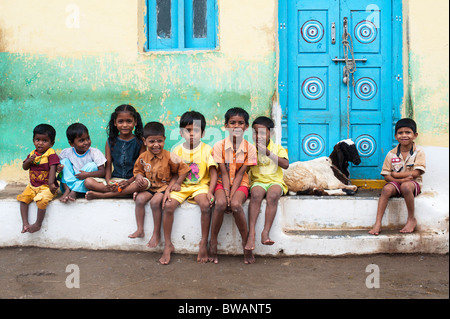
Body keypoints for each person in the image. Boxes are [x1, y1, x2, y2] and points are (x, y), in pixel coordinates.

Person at [160, 111, 218, 265]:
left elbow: (213, 173)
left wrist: (210, 192)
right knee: (168, 206)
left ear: (203, 133)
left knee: (206, 205)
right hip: (182, 187)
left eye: (196, 130)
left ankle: (203, 242)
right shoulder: (177, 150)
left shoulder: (207, 150)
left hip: (200, 186)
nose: (192, 134)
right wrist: (168, 191)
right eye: (188, 130)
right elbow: (174, 175)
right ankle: (168, 245)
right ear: (181, 132)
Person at [129, 122, 190, 253]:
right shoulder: (143, 157)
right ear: (144, 141)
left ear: (164, 140)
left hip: (163, 187)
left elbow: (183, 169)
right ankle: (140, 229)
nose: (156, 144)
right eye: (152, 141)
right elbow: (138, 170)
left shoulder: (169, 156)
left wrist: (178, 183)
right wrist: (139, 177)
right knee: (139, 199)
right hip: (149, 187)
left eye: (159, 141)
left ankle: (156, 233)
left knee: (155, 202)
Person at [209, 107, 257, 264]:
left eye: (240, 123)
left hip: (240, 183)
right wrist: (226, 196)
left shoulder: (250, 148)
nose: (236, 126)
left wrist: (232, 197)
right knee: (220, 203)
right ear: (226, 125)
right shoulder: (219, 146)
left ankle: (246, 244)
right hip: (222, 183)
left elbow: (240, 175)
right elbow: (223, 173)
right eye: (232, 123)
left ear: (246, 126)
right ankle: (213, 243)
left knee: (236, 205)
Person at [369, 118, 426, 235]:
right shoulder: (391, 154)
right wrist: (398, 179)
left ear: (415, 135)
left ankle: (411, 219)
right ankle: (378, 223)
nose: (404, 135)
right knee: (386, 189)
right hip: (396, 183)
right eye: (400, 133)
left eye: (408, 132)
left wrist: (397, 175)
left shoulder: (419, 152)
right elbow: (386, 175)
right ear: (395, 136)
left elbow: (416, 173)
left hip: (412, 184)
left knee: (405, 186)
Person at [84, 104, 146, 199]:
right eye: (120, 121)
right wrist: (109, 181)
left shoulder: (140, 142)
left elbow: (141, 168)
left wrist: (128, 182)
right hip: (115, 180)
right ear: (115, 123)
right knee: (88, 182)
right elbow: (108, 165)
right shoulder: (110, 141)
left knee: (143, 183)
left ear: (135, 122)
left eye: (129, 121)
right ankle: (126, 192)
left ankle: (103, 195)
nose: (125, 125)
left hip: (133, 180)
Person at [246, 116, 289, 252]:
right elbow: (244, 169)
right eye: (255, 132)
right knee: (256, 194)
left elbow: (286, 164)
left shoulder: (277, 148)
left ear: (271, 133)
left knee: (273, 195)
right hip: (258, 181)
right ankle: (251, 233)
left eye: (263, 132)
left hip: (275, 181)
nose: (259, 136)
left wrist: (268, 153)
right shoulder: (251, 149)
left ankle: (265, 232)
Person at [17, 124, 60, 233]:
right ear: (33, 140)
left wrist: (51, 184)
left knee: (41, 200)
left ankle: (37, 224)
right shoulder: (32, 153)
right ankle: (25, 223)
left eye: (44, 140)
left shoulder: (51, 154)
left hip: (46, 187)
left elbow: (53, 168)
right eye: (37, 139)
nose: (40, 143)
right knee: (23, 199)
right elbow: (24, 167)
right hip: (32, 186)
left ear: (52, 143)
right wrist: (29, 161)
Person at [59, 123, 107, 202]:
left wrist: (87, 175)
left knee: (92, 165)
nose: (86, 142)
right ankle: (68, 190)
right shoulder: (66, 153)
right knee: (63, 162)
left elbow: (102, 172)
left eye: (88, 138)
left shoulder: (95, 153)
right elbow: (60, 171)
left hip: (86, 186)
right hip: (68, 186)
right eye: (81, 140)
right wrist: (58, 167)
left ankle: (75, 190)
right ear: (71, 143)